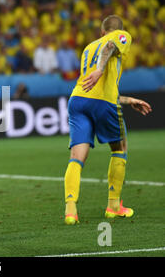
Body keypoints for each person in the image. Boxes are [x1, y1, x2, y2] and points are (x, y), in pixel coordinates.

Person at [63, 15, 152, 225]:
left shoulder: (88, 47)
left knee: (76, 157)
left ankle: (70, 210)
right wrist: (100, 70)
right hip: (103, 103)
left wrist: (129, 100)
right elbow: (110, 46)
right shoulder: (120, 36)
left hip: (77, 100)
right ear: (111, 31)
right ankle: (113, 206)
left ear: (100, 31)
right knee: (119, 149)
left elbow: (95, 88)